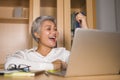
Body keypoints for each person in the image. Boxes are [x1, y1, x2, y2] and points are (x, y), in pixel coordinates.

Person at [4, 15, 88, 71]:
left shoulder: (62, 53)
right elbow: (10, 64)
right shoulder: (26, 55)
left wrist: (84, 27)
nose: (54, 32)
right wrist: (52, 66)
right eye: (48, 29)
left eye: (55, 29)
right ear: (37, 34)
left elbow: (84, 61)